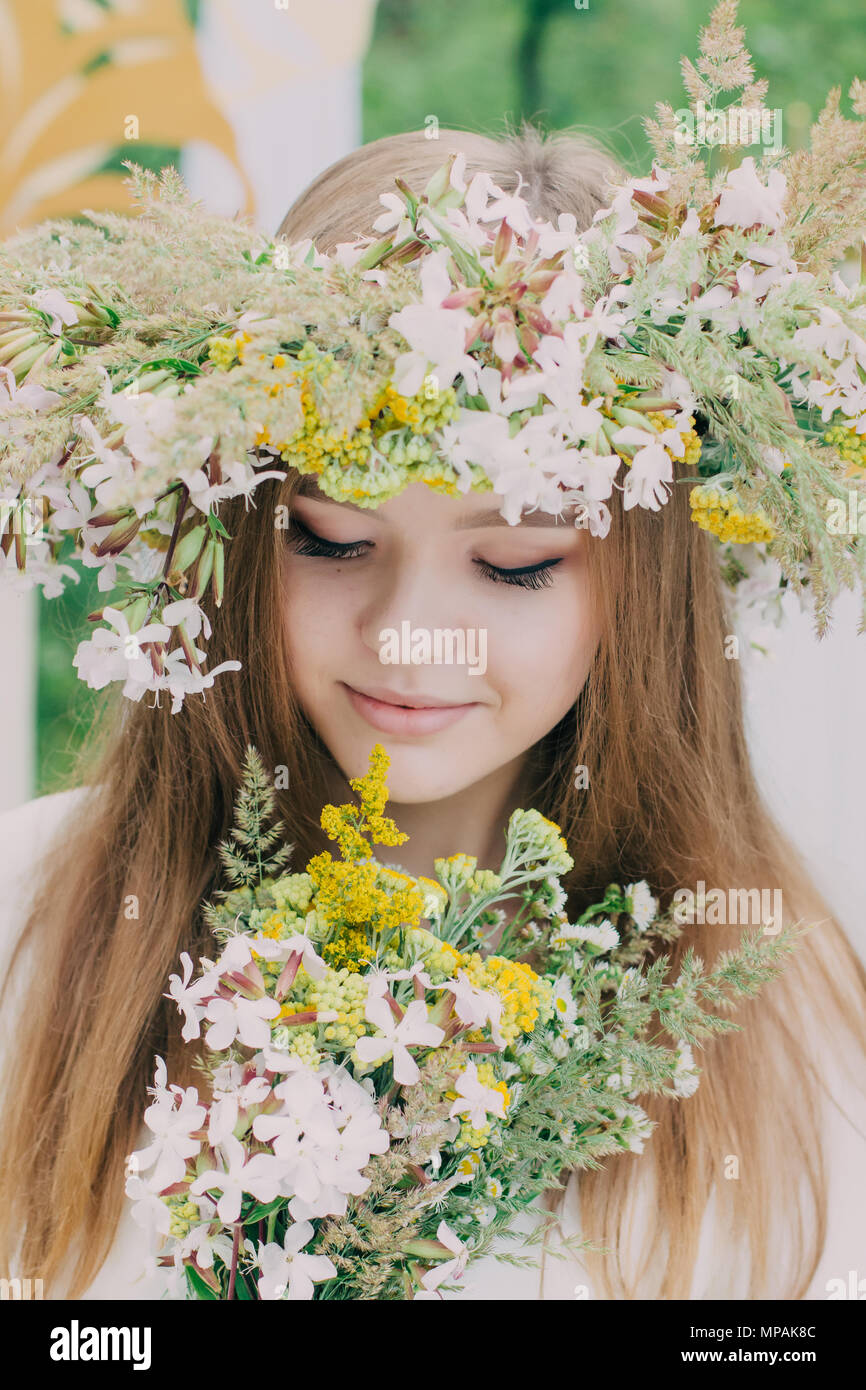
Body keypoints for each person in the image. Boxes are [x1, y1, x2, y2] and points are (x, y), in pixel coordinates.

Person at [1, 123, 865, 1302]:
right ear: (244, 532)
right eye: (331, 539)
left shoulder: (790, 1029)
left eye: (513, 563)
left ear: (645, 588)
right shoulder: (27, 918)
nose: (409, 632)